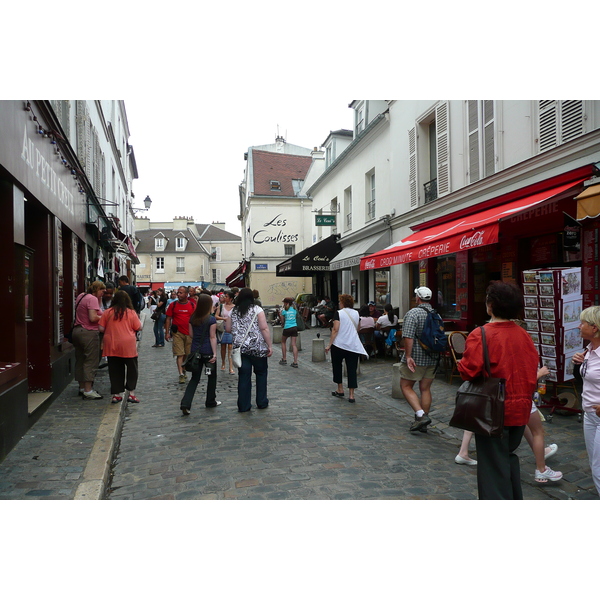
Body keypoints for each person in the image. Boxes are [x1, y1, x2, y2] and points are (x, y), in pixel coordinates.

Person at [457, 281, 539, 500]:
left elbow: (469, 371)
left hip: (493, 409)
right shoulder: (524, 335)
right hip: (520, 408)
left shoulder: (482, 333)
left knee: (492, 466)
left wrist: (459, 363)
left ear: (490, 305)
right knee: (508, 457)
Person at [455, 366, 562, 484]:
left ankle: (464, 452)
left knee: (480, 417)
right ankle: (541, 468)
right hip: (514, 396)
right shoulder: (514, 352)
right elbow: (516, 381)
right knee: (536, 431)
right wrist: (539, 374)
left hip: (497, 394)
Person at [226, 287, 273, 412]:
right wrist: (269, 345)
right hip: (257, 347)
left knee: (244, 377)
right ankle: (262, 401)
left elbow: (228, 329)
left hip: (241, 349)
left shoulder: (233, 311)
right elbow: (264, 328)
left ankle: (244, 405)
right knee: (261, 374)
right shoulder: (257, 310)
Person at [400, 287, 439, 432]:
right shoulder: (436, 314)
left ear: (417, 298)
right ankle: (424, 420)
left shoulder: (413, 313)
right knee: (425, 388)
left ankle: (421, 415)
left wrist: (408, 356)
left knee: (405, 386)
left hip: (417, 357)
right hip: (433, 357)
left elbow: (408, 336)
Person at [572, 305, 600, 496]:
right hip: (589, 414)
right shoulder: (589, 350)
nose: (579, 326)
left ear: (595, 327)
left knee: (598, 466)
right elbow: (583, 380)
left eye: (583, 323)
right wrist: (577, 365)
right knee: (594, 463)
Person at [98, 290, 142, 404]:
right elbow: (138, 327)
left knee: (115, 369)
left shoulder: (107, 312)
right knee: (132, 369)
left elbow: (101, 329)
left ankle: (116, 394)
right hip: (128, 344)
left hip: (112, 344)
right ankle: (131, 393)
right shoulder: (131, 313)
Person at [180, 293, 220, 416]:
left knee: (194, 379)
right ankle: (210, 400)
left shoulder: (192, 318)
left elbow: (191, 335)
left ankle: (185, 403)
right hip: (208, 352)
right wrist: (214, 354)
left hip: (196, 351)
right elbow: (212, 337)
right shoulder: (211, 319)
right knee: (211, 377)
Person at [325, 294, 368, 403]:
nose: (339, 303)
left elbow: (335, 329)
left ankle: (340, 388)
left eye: (340, 302)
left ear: (343, 303)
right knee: (352, 369)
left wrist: (329, 344)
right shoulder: (356, 313)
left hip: (339, 344)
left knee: (337, 366)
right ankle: (352, 395)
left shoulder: (339, 313)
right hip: (352, 345)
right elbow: (358, 328)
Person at [72, 281, 105, 399]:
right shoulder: (92, 299)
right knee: (91, 360)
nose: (103, 293)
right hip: (89, 333)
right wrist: (105, 317)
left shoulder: (81, 296)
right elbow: (93, 317)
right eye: (102, 291)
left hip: (77, 331)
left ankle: (81, 387)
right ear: (97, 289)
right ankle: (88, 390)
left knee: (80, 359)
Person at [165, 286, 196, 384]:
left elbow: (196, 319)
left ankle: (184, 368)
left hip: (189, 333)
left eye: (181, 293)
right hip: (177, 333)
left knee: (187, 354)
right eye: (178, 292)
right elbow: (168, 318)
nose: (178, 294)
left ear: (186, 294)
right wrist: (167, 332)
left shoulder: (192, 305)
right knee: (179, 354)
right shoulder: (173, 305)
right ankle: (181, 374)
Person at [215, 290, 235, 374]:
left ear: (230, 298)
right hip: (223, 328)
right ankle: (223, 362)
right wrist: (223, 318)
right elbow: (216, 315)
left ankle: (231, 367)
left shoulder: (235, 307)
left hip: (231, 329)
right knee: (223, 346)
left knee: (230, 347)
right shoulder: (221, 306)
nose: (224, 298)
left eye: (226, 296)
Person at [279, 297, 299, 368]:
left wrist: (282, 322)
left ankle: (284, 359)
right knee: (294, 344)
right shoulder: (294, 309)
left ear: (286, 303)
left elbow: (282, 320)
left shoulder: (284, 310)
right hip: (294, 327)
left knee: (283, 342)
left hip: (287, 327)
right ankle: (295, 362)